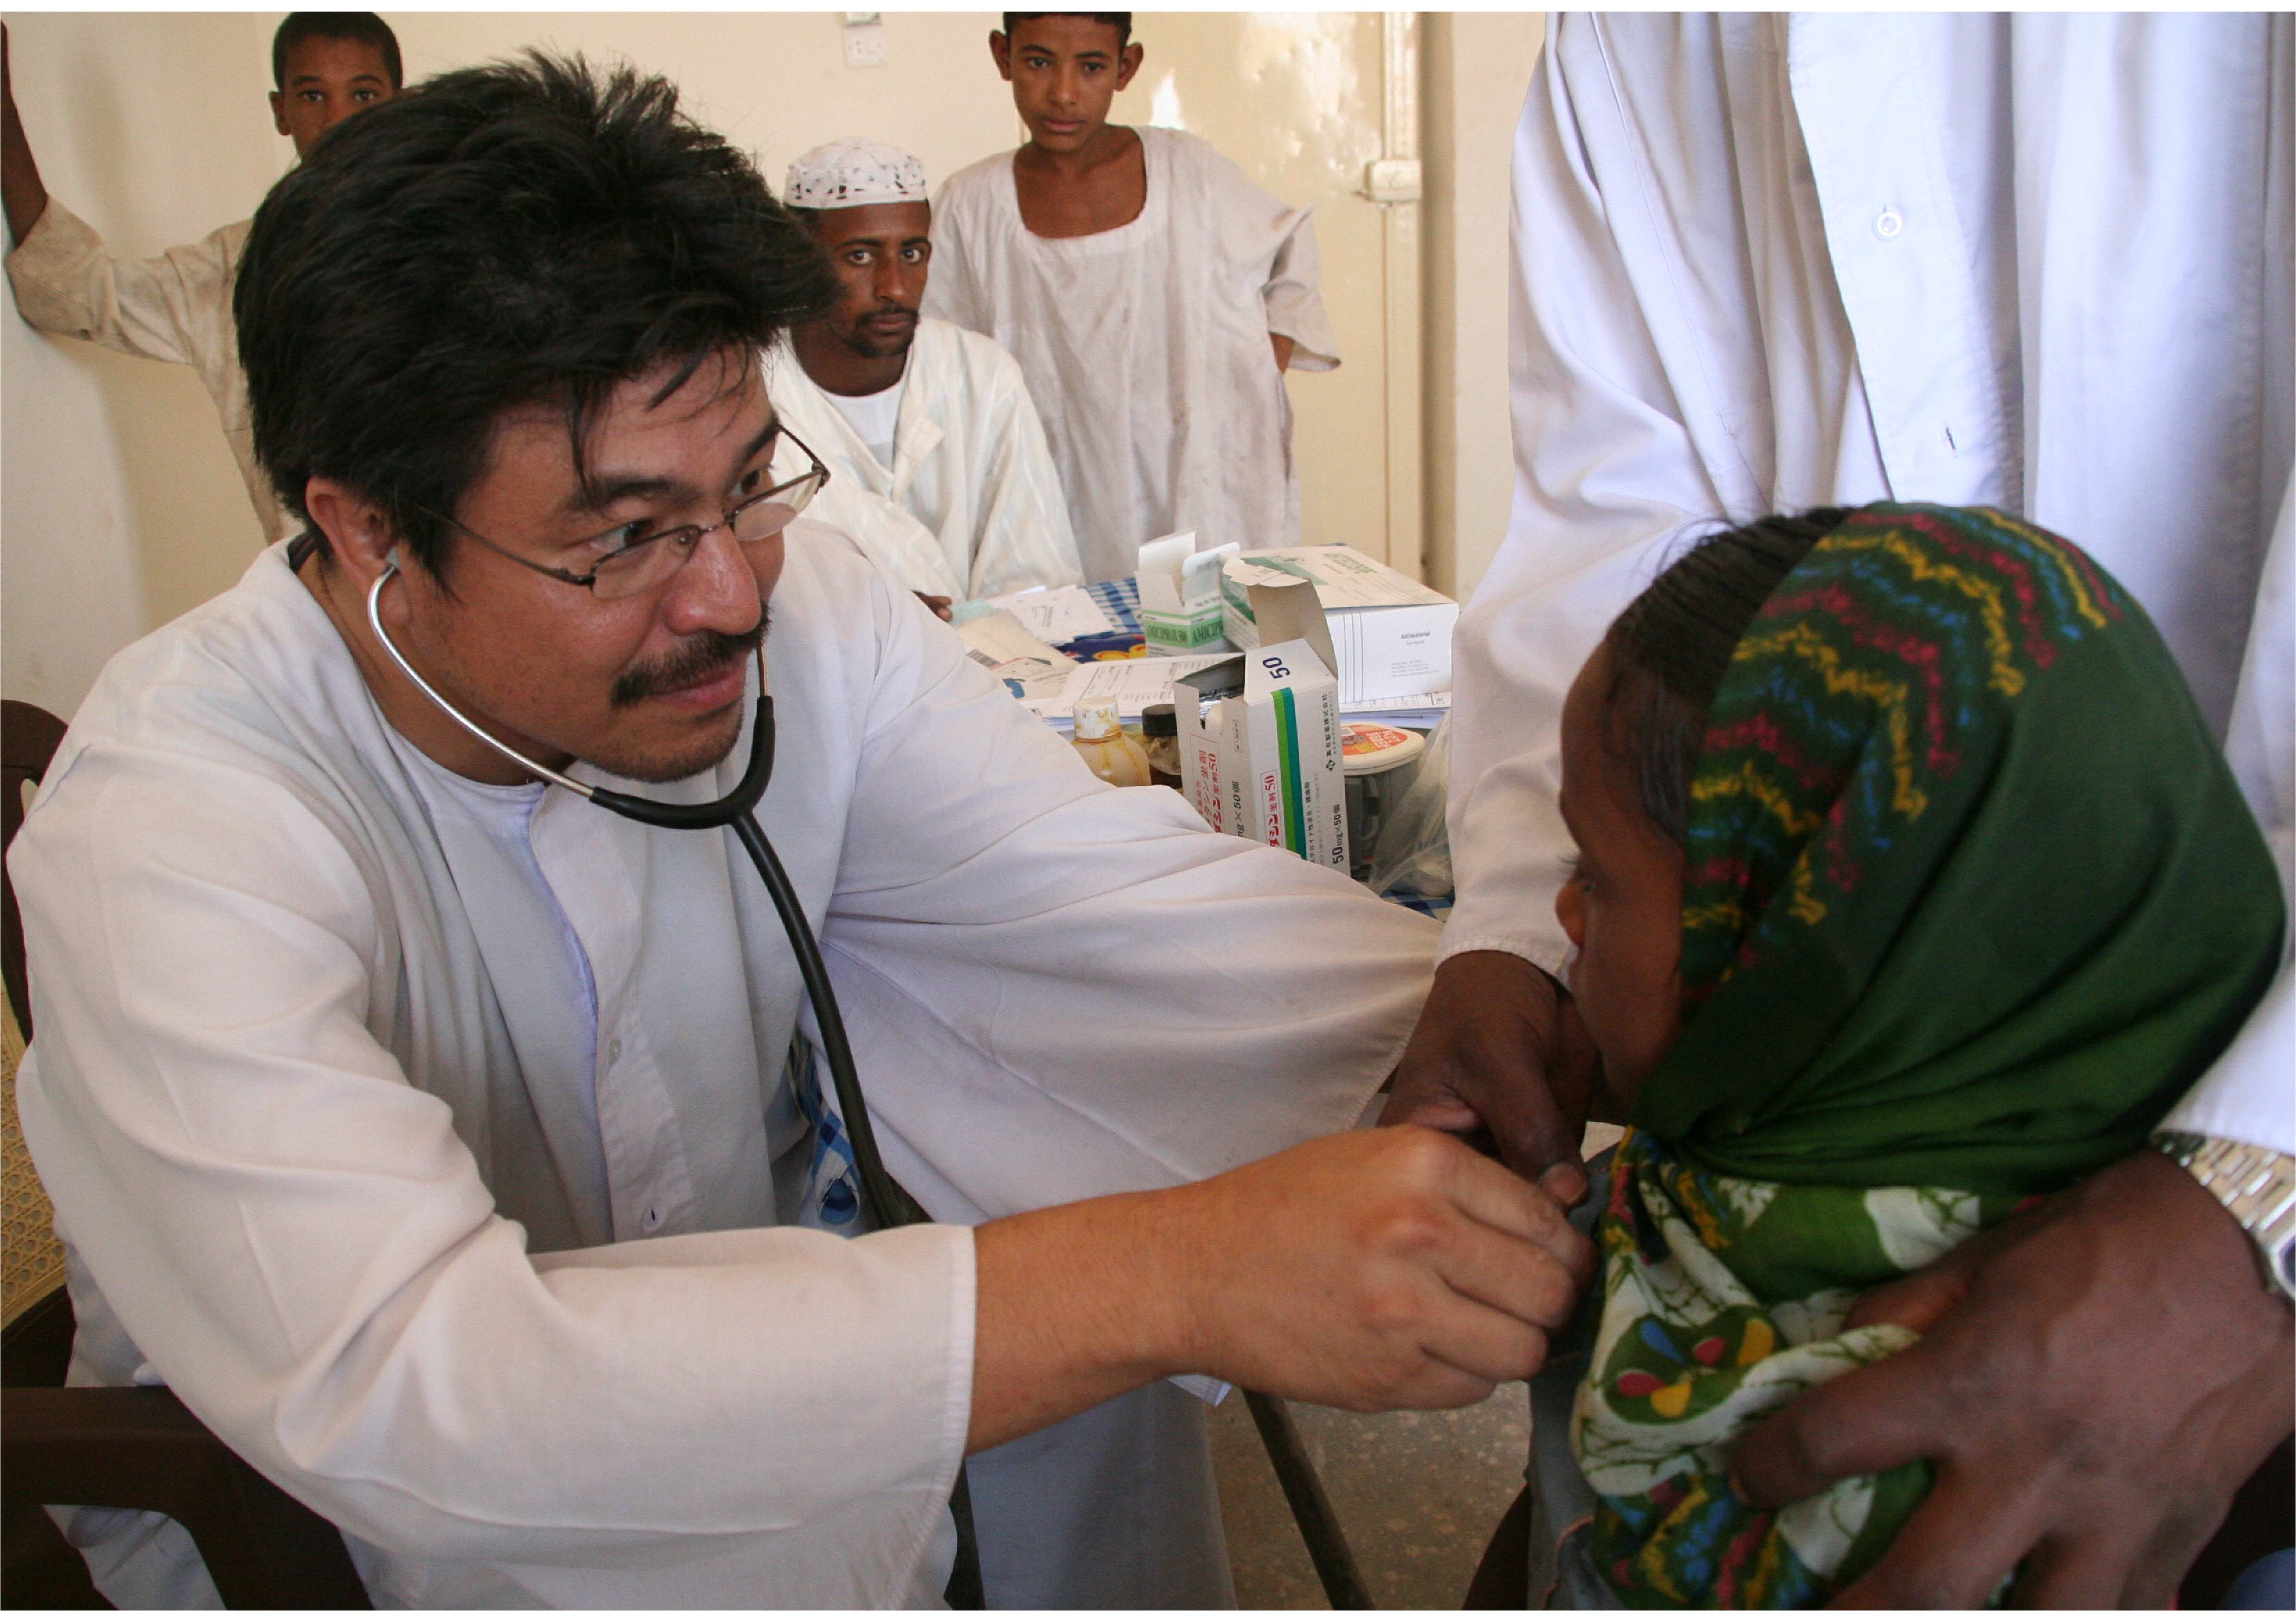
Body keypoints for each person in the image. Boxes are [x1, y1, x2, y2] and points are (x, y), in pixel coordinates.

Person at [10, 54, 1593, 1610]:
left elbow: (1099, 902)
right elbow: (429, 1386)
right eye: (627, 536)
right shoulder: (175, 824)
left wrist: (1524, 1017)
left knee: (1076, 1392)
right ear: (367, 528)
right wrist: (1183, 1270)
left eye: (753, 482)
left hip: (738, 1380)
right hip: (352, 1534)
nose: (730, 595)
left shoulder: (809, 607)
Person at [1385, 14, 2294, 1606]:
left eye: (1599, 884)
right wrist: (1520, 932)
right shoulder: (1629, 39)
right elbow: (1614, 521)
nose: (1578, 906)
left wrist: (2259, 1195)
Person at [1528, 504, 2283, 1606]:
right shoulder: (1699, 1196)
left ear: (1779, 962)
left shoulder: (1945, 1426)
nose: (1559, 913)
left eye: (1593, 876)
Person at [925, 12, 1339, 583]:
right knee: (1065, 621)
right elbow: (940, 351)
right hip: (1049, 479)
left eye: (1091, 67)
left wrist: (1246, 384)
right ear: (1002, 56)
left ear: (1126, 67)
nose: (1063, 93)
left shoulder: (1188, 172)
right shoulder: (969, 204)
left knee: (1202, 619)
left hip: (1186, 475)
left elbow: (1291, 252)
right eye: (1038, 62)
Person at [0, 13, 402, 541]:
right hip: (319, 577)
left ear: (401, 105)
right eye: (312, 96)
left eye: (364, 96)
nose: (338, 121)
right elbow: (72, 291)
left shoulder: (462, 244)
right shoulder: (236, 268)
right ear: (281, 111)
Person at [770, 137, 1083, 608]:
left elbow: (1038, 578)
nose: (894, 287)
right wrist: (880, 619)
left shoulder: (981, 375)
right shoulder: (752, 391)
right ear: (798, 259)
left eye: (912, 254)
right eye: (860, 257)